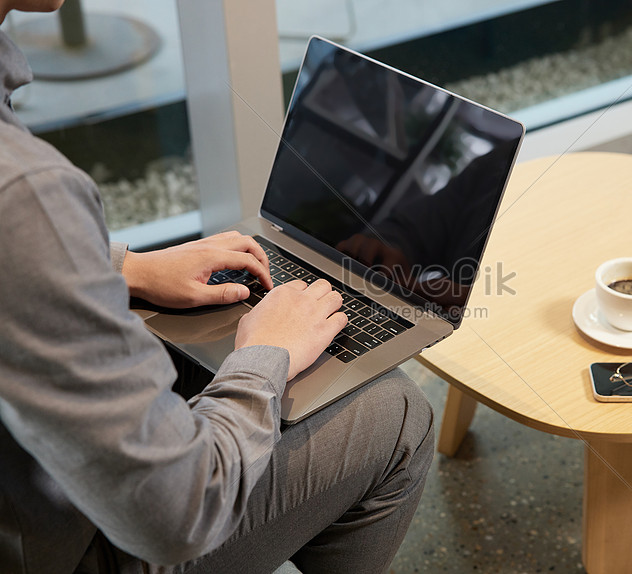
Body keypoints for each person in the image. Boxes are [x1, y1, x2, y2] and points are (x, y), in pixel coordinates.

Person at [0, 2, 434, 573]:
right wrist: (266, 354)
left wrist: (124, 269)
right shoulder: (27, 189)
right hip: (69, 549)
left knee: (202, 347)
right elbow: (178, 514)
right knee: (397, 409)